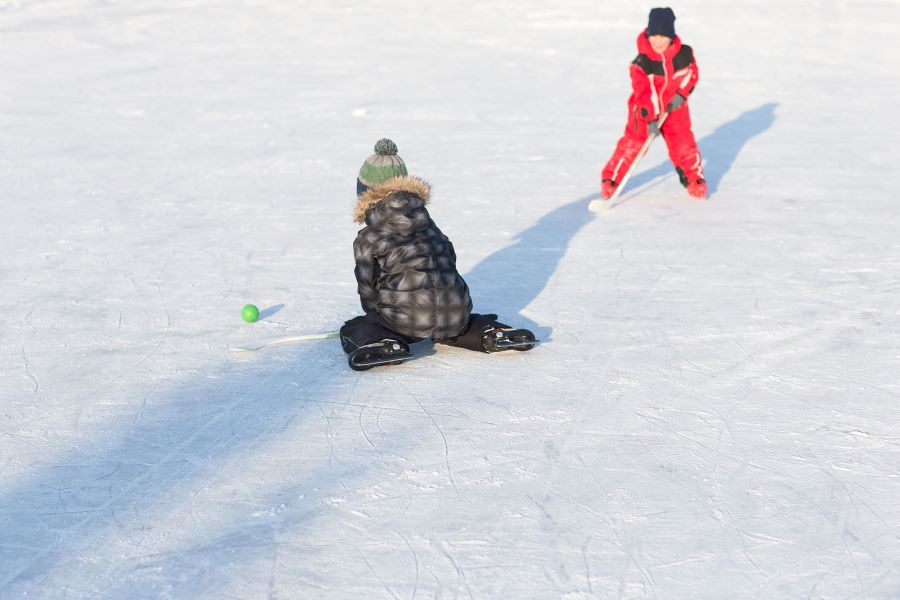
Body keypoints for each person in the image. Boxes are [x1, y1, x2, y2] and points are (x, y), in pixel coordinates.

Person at [340, 139, 537, 371]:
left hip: (405, 321)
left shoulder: (368, 237)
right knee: (452, 326)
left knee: (354, 327)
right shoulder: (428, 223)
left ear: (364, 193)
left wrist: (377, 318)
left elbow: (367, 290)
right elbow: (449, 258)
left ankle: (382, 342)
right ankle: (488, 332)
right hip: (457, 311)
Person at [600, 7, 707, 200]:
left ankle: (694, 180)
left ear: (671, 35)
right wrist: (650, 118)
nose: (657, 41)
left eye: (662, 36)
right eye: (653, 35)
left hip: (675, 108)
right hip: (644, 111)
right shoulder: (642, 63)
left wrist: (681, 95)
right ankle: (612, 180)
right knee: (634, 144)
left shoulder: (685, 54)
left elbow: (691, 74)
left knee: (683, 143)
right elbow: (644, 93)